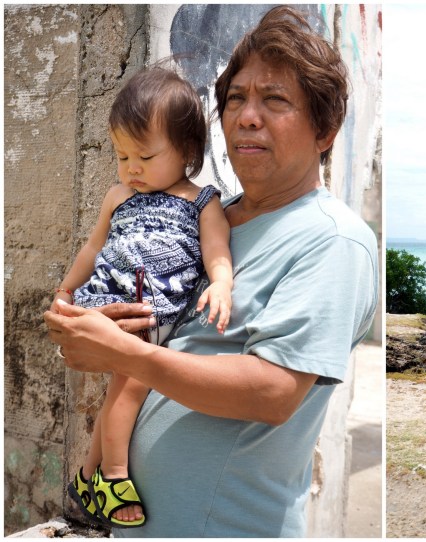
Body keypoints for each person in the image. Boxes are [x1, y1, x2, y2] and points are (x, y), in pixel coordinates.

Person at [44, 5, 378, 538]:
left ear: (325, 129)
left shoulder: (332, 240)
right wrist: (98, 327)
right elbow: (164, 342)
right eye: (236, 99)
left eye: (275, 100)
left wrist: (126, 352)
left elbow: (273, 392)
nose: (247, 116)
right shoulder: (212, 219)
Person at [53, 67, 233, 528]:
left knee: (122, 388)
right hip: (112, 305)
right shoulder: (118, 196)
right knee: (127, 387)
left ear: (188, 151)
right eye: (122, 155)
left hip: (158, 309)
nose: (132, 168)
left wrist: (221, 282)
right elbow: (93, 248)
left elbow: (215, 249)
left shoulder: (202, 200)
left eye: (145, 156)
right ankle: (114, 477)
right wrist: (66, 291)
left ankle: (88, 476)